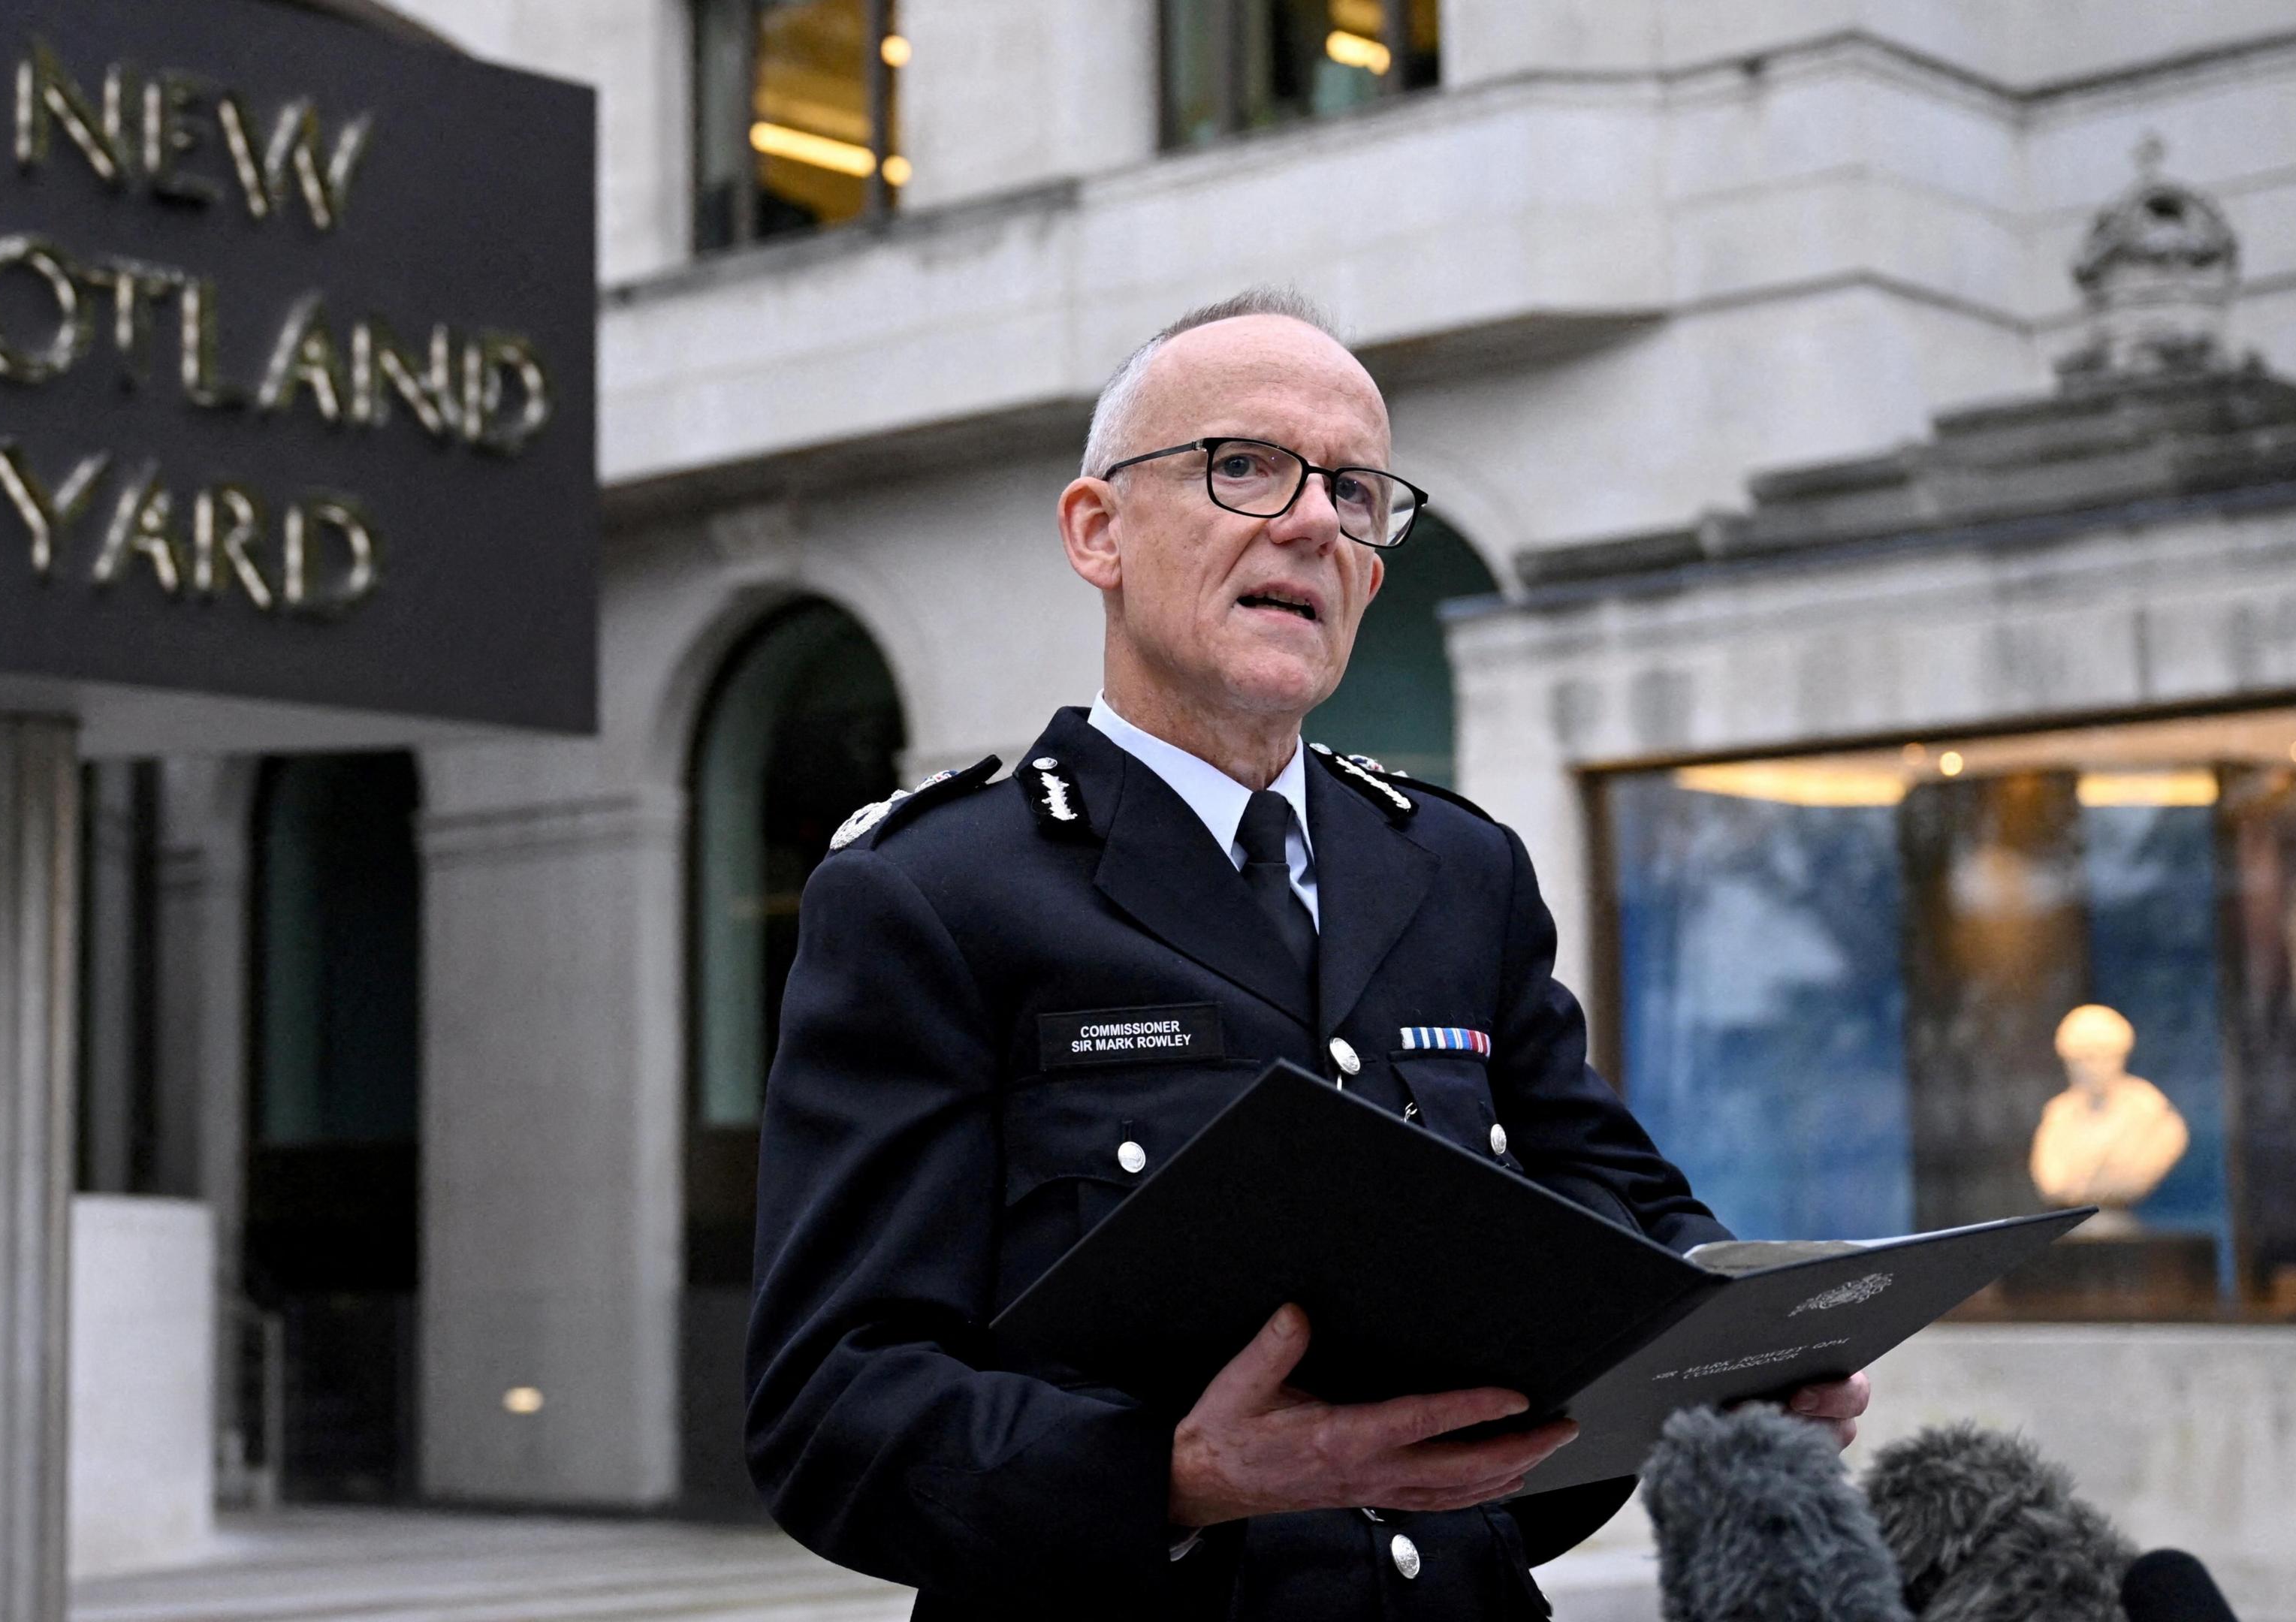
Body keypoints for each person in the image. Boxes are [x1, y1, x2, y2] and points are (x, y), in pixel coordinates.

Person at [745, 288, 1869, 1620]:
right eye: (1244, 466)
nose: (1310, 521)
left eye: (1354, 493)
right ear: (1097, 531)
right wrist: (1178, 1477)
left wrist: (1756, 1338)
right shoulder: (937, 891)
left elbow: (1617, 1203)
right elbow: (833, 1409)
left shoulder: (1457, 870)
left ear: (1372, 573)